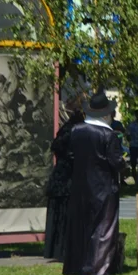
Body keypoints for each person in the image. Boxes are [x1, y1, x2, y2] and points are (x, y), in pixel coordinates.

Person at [62, 93, 124, 275]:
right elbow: (116, 161)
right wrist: (124, 163)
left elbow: (70, 156)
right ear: (105, 115)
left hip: (80, 186)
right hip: (104, 186)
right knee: (104, 228)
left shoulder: (76, 130)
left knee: (80, 226)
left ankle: (76, 265)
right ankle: (99, 268)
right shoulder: (108, 135)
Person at [43, 100, 85, 261]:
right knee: (65, 215)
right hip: (69, 179)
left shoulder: (65, 131)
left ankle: (57, 250)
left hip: (60, 178)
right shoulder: (75, 131)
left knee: (58, 215)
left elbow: (56, 148)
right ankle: (65, 250)